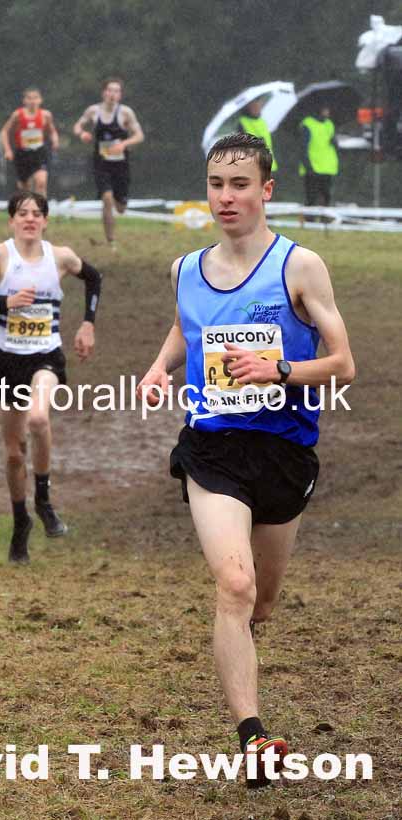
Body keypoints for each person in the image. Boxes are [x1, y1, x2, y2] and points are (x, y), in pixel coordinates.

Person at [137, 133, 355, 788]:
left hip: (286, 453)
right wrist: (155, 369)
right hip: (212, 448)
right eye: (214, 184)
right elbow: (185, 325)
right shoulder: (184, 268)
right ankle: (252, 736)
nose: (224, 197)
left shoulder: (300, 267)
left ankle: (245, 650)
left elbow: (342, 365)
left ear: (266, 190)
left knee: (259, 604)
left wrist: (280, 367)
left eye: (238, 185)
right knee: (233, 584)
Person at [0, 191, 102, 562]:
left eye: (37, 214)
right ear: (11, 221)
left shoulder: (61, 257)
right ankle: (20, 521)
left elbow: (95, 278)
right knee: (13, 453)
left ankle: (44, 500)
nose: (30, 219)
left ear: (46, 221)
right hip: (7, 362)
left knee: (39, 418)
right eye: (23, 213)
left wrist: (87, 323)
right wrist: (3, 301)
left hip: (46, 356)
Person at [73, 78, 144, 247]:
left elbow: (139, 135)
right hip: (101, 162)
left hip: (120, 164)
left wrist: (124, 144)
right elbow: (78, 126)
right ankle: (111, 240)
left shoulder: (125, 113)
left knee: (120, 207)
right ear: (103, 92)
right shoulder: (93, 111)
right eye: (110, 90)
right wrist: (81, 134)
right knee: (106, 198)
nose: (112, 94)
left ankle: (121, 202)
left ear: (120, 95)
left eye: (116, 91)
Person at [1, 87, 59, 196]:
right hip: (22, 154)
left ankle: (42, 211)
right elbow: (4, 131)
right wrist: (7, 150)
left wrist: (55, 140)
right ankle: (26, 210)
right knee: (24, 189)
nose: (32, 101)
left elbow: (52, 131)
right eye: (29, 98)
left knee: (41, 183)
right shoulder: (17, 115)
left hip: (39, 152)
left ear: (40, 100)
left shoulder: (46, 115)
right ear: (24, 101)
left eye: (35, 98)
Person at [299, 106, 339, 211]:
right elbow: (303, 147)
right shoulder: (308, 124)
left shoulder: (329, 124)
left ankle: (324, 220)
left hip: (328, 168)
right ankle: (310, 221)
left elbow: (333, 143)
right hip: (313, 167)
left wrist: (335, 142)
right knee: (311, 199)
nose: (327, 112)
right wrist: (307, 165)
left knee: (326, 197)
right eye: (325, 109)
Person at [238, 99, 278, 173]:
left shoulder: (263, 121)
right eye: (253, 106)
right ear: (248, 107)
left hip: (270, 167)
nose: (257, 107)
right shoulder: (242, 122)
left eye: (258, 105)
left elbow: (269, 143)